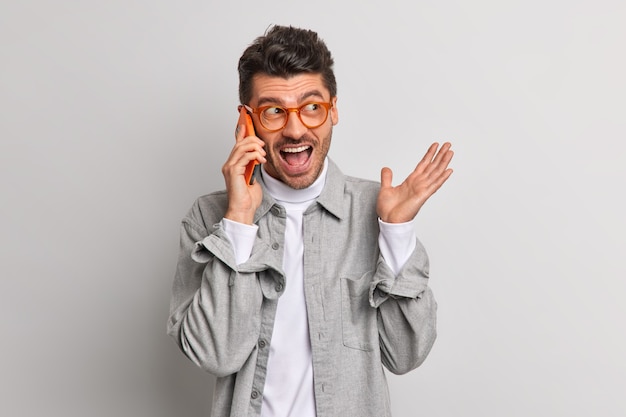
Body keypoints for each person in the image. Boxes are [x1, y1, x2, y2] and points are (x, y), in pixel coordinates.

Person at [167, 25, 454, 417]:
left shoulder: (378, 209)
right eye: (273, 112)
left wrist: (396, 232)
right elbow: (216, 355)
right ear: (246, 120)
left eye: (312, 107)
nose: (295, 128)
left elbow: (405, 355)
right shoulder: (208, 217)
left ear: (333, 110)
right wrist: (239, 220)